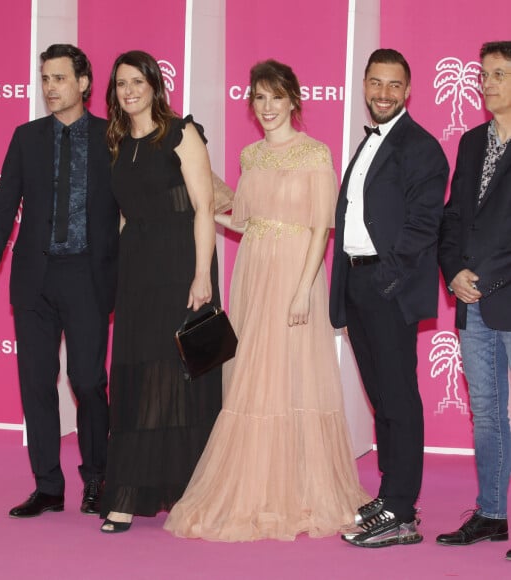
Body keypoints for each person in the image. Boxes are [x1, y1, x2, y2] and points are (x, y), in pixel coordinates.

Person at [164, 59, 369, 542]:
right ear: (251, 105)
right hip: (254, 270)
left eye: (277, 96)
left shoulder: (316, 154)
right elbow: (246, 220)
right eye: (259, 97)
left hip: (297, 272)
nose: (269, 106)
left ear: (293, 100)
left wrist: (302, 288)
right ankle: (255, 485)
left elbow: (321, 228)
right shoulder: (250, 156)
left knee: (293, 371)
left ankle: (299, 485)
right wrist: (206, 211)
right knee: (254, 372)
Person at [0, 44, 119, 517]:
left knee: (88, 379)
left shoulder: (110, 137)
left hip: (86, 276)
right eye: (45, 79)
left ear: (83, 83)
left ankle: (96, 478)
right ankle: (48, 486)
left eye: (59, 78)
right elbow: (3, 207)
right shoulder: (26, 137)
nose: (51, 87)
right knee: (36, 382)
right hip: (33, 278)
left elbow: (134, 209)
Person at [329, 48, 449, 548]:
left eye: (393, 85)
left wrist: (387, 280)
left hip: (387, 288)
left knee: (399, 398)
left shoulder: (421, 148)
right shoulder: (369, 144)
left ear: (408, 90)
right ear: (364, 85)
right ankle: (391, 494)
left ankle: (401, 511)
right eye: (375, 83)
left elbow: (424, 226)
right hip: (357, 285)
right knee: (383, 400)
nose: (383, 93)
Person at [99, 50, 222, 533]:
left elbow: (204, 206)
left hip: (179, 265)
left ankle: (193, 490)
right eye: (121, 84)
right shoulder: (117, 141)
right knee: (135, 376)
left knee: (184, 373)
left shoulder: (180, 132)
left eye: (137, 82)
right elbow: (127, 213)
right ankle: (128, 492)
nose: (129, 91)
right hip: (137, 271)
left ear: (154, 85)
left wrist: (202, 274)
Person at [437, 41, 511, 561]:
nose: (487, 82)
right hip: (473, 301)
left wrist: (491, 277)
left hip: (504, 291)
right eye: (484, 74)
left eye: (501, 74)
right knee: (485, 413)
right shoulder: (470, 142)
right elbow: (452, 220)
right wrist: (454, 272)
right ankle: (491, 513)